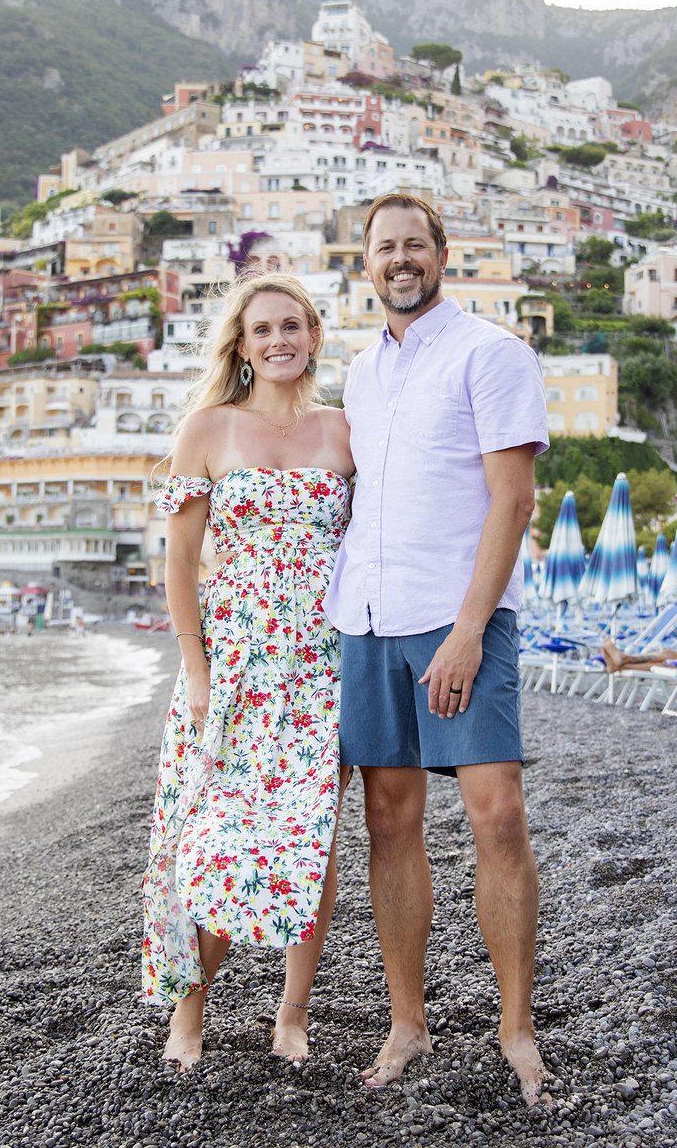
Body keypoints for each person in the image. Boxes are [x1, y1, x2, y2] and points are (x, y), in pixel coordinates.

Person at [325, 191, 552, 1107]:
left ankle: (516, 1028)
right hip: (368, 619)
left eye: (415, 244)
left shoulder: (493, 354)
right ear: (366, 265)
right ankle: (408, 1021)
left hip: (462, 619)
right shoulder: (358, 374)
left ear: (442, 254)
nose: (400, 259)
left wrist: (465, 630)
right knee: (389, 821)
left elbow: (514, 501)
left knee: (497, 815)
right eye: (385, 248)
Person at [141, 273, 355, 1071]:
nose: (278, 341)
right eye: (262, 330)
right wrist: (194, 671)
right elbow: (181, 565)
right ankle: (188, 1015)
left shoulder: (343, 430)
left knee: (311, 840)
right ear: (241, 344)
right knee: (214, 843)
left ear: (313, 336)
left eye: (291, 326)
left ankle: (292, 1014)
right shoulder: (208, 429)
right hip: (232, 668)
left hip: (322, 668)